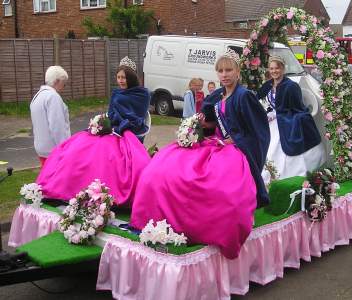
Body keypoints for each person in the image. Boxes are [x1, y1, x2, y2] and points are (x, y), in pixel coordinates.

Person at [130, 50, 270, 259]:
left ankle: (213, 226)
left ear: (238, 72)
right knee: (168, 165)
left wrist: (235, 141)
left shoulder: (244, 96)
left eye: (229, 70)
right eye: (220, 70)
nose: (224, 74)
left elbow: (257, 129)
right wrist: (205, 125)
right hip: (218, 143)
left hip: (235, 149)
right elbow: (220, 123)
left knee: (218, 184)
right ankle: (171, 218)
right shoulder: (221, 95)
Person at [36, 57, 151, 207]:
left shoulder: (142, 94)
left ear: (131, 77)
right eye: (118, 77)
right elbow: (111, 113)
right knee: (80, 145)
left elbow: (137, 118)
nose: (121, 80)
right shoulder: (116, 93)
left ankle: (106, 190)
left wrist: (118, 125)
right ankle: (70, 187)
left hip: (127, 131)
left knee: (105, 152)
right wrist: (103, 123)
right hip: (111, 128)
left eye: (124, 77)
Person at [257, 56, 325, 179]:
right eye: (271, 68)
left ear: (282, 69)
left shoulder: (291, 86)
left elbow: (298, 109)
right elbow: (257, 99)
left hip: (284, 121)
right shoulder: (267, 85)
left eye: (277, 68)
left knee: (274, 147)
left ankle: (281, 175)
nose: (274, 71)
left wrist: (277, 115)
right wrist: (266, 113)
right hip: (268, 121)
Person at [30, 66, 70, 167]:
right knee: (55, 180)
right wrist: (65, 148)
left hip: (41, 147)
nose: (64, 86)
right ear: (57, 81)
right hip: (54, 150)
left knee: (45, 178)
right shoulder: (53, 97)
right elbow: (57, 126)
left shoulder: (37, 96)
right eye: (63, 83)